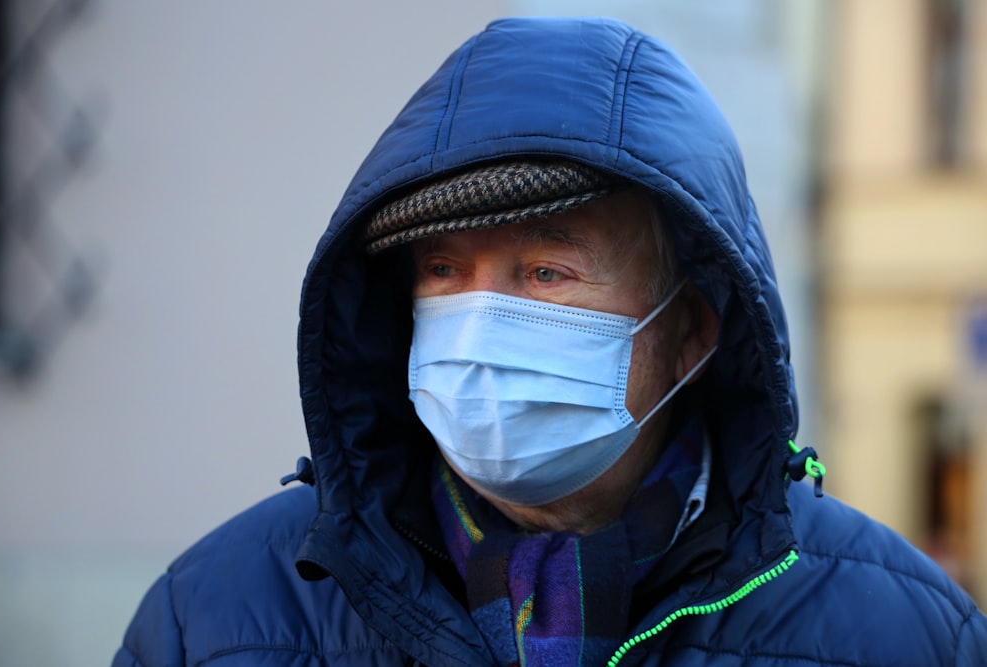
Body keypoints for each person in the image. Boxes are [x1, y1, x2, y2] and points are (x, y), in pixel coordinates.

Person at [113, 16, 987, 667]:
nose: (482, 326)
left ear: (691, 333)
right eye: (445, 271)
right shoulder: (219, 617)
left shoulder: (905, 632)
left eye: (546, 273)